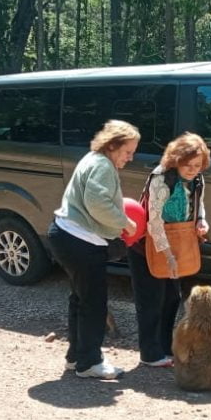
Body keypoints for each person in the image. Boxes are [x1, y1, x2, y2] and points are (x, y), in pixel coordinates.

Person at [46, 120, 140, 379]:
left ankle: (76, 358)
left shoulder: (92, 158)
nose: (130, 158)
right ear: (113, 145)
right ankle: (90, 362)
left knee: (80, 300)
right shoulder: (102, 165)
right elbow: (96, 202)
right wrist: (125, 222)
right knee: (93, 304)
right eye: (127, 152)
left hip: (66, 235)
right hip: (80, 241)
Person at [127, 132, 211, 368]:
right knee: (151, 300)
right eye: (188, 165)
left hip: (177, 242)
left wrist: (201, 221)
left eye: (197, 165)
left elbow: (199, 206)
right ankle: (149, 353)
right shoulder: (160, 179)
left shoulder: (197, 179)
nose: (193, 170)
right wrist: (168, 255)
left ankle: (164, 347)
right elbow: (154, 222)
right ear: (176, 160)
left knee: (172, 297)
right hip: (149, 246)